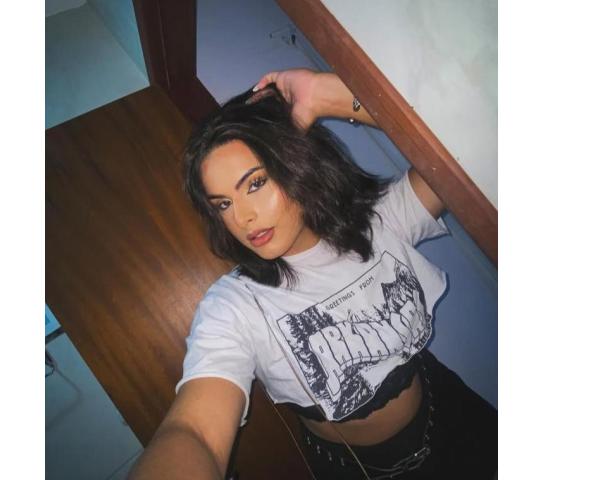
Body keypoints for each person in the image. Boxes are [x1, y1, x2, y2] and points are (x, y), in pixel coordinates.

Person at [128, 69, 497, 480]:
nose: (242, 217)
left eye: (255, 184)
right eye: (223, 204)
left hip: (451, 410)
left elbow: (468, 139)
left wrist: (329, 95)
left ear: (295, 164)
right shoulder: (234, 306)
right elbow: (194, 429)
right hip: (364, 470)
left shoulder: (381, 223)